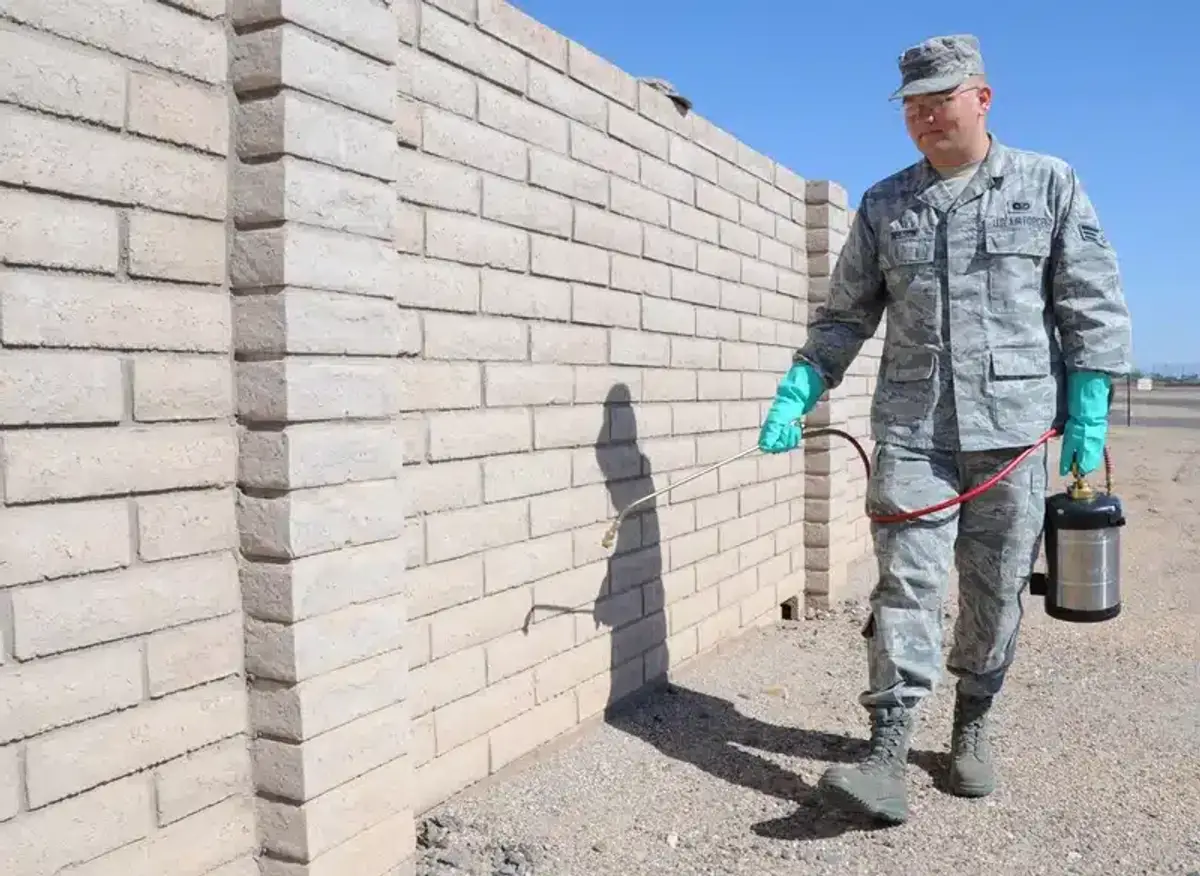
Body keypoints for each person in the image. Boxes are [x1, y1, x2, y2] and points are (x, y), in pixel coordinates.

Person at [757, 34, 1132, 824]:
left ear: (982, 99)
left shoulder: (1048, 184)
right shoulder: (887, 204)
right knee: (909, 588)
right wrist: (801, 386)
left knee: (993, 593)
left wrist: (1088, 409)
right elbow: (845, 315)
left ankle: (973, 727)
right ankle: (886, 752)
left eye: (940, 100)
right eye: (913, 107)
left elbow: (1089, 303)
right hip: (914, 432)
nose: (925, 117)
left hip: (1015, 433)